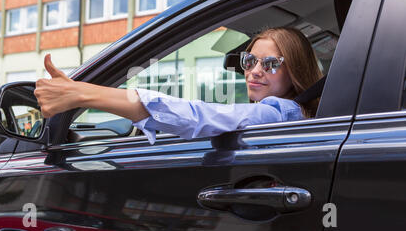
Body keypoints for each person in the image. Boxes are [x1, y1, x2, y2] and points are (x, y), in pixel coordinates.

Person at [34, 27, 323, 145]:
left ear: (295, 70)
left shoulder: (280, 113)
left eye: (270, 64)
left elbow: (200, 116)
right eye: (249, 61)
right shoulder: (297, 115)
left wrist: (79, 93)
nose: (255, 72)